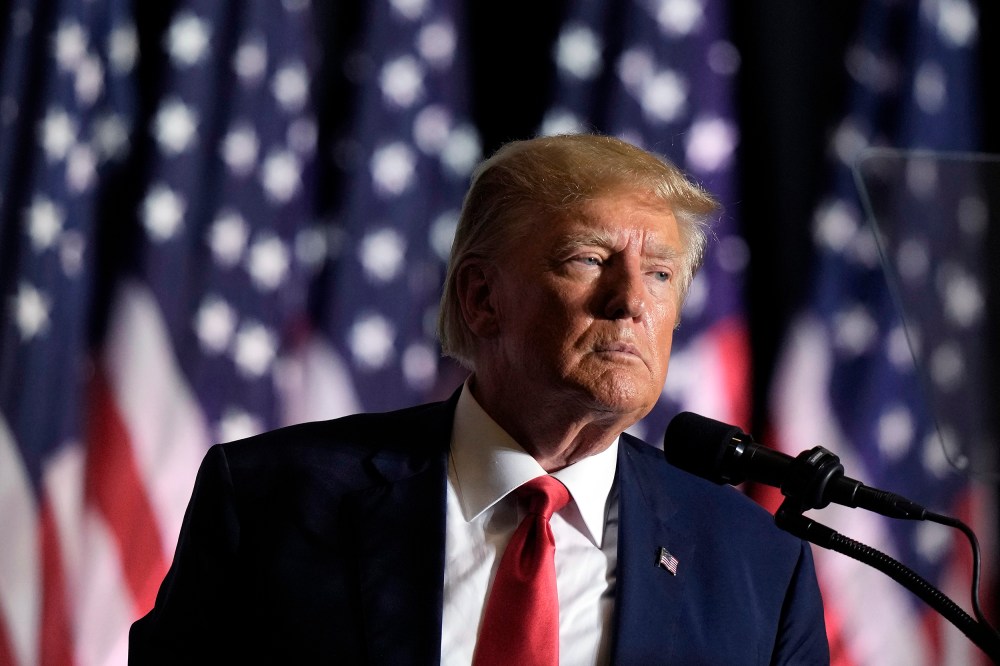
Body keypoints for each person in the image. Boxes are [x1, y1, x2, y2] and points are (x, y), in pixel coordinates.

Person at [129, 134, 829, 664]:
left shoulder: (755, 563)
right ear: (482, 297)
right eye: (588, 260)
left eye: (660, 273)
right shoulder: (270, 500)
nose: (630, 303)